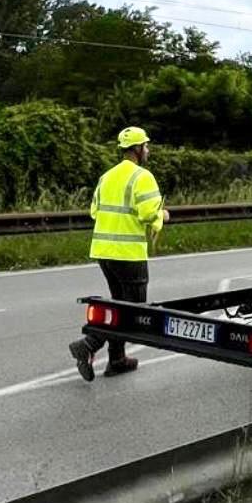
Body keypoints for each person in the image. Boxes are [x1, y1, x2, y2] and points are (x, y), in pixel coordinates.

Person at [69, 126, 168, 381]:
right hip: (128, 254)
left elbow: (94, 211)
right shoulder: (142, 176)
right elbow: (148, 213)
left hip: (104, 252)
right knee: (133, 311)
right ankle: (89, 344)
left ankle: (117, 360)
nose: (148, 150)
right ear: (137, 149)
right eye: (146, 146)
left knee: (118, 304)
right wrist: (162, 216)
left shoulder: (106, 177)